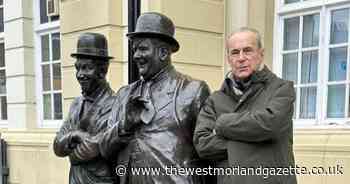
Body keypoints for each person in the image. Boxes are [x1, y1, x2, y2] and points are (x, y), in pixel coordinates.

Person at [99, 12, 211, 184]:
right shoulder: (124, 95)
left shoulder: (192, 91)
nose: (136, 55)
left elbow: (209, 154)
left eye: (142, 48)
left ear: (164, 52)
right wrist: (124, 126)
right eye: (134, 49)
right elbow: (105, 149)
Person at [194, 27, 297, 184]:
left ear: (261, 54)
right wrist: (258, 140)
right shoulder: (215, 100)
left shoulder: (281, 88)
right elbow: (203, 144)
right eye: (235, 53)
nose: (241, 58)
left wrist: (222, 124)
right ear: (228, 59)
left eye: (248, 51)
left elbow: (271, 124)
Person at [53, 32, 117, 184]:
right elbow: (57, 146)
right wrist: (73, 135)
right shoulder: (76, 104)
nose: (80, 74)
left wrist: (71, 151)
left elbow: (83, 153)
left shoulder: (115, 105)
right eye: (78, 68)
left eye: (87, 68)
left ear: (102, 71)